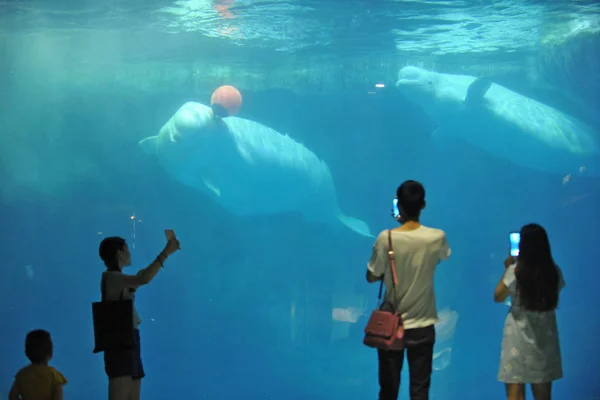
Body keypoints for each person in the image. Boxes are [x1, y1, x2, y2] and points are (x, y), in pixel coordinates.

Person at [366, 180, 451, 400]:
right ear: (423, 205)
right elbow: (441, 258)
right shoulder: (437, 237)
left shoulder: (387, 238)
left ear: (398, 205)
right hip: (423, 324)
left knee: (388, 390)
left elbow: (371, 276)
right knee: (420, 391)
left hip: (391, 325)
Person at [98, 235, 180, 400]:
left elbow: (141, 277)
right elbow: (143, 278)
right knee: (121, 390)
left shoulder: (117, 278)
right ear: (119, 252)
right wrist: (166, 252)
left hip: (129, 339)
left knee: (133, 390)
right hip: (121, 342)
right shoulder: (111, 278)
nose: (129, 252)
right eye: (126, 248)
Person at [494, 223, 565, 400]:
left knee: (515, 390)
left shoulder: (515, 272)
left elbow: (498, 296)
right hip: (545, 340)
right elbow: (557, 289)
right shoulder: (554, 272)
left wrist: (507, 269)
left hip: (517, 338)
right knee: (543, 393)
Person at [9, 329, 68, 400]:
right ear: (51, 354)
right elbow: (58, 397)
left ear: (26, 353)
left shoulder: (22, 374)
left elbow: (12, 395)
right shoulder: (54, 375)